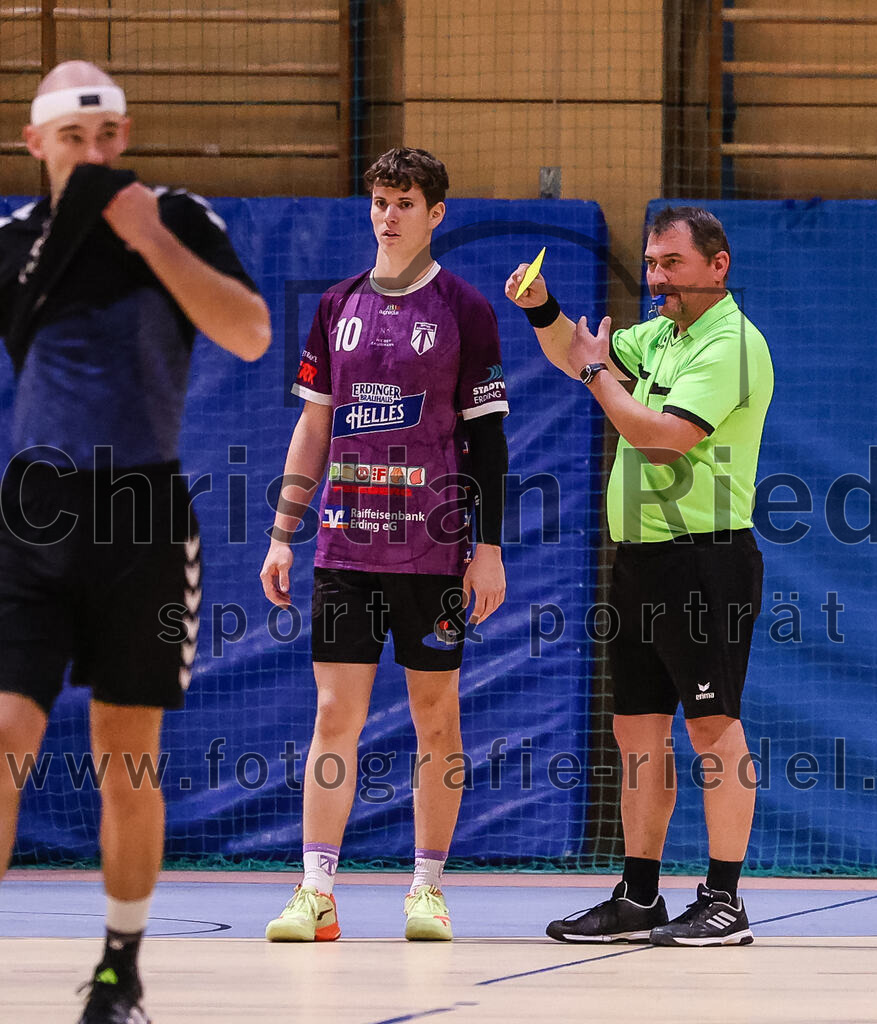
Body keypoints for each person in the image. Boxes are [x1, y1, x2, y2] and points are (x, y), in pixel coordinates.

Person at [0, 61, 270, 1022]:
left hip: (143, 516)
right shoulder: (17, 244)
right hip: (34, 511)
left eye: (108, 135)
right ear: (36, 145)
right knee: (4, 735)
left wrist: (150, 237)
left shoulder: (181, 218)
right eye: (73, 138)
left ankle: (121, 965)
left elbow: (248, 334)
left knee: (127, 755)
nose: (95, 152)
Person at [260, 147, 508, 943]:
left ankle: (427, 889)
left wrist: (489, 548)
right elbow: (314, 427)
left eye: (405, 202)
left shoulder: (466, 310)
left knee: (438, 718)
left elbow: (489, 445)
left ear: (437, 213)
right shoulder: (337, 306)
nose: (389, 215)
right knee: (336, 713)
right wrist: (282, 534)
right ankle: (317, 891)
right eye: (380, 201)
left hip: (432, 554)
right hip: (344, 547)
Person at [507, 206, 772, 947]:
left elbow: (660, 440)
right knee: (637, 732)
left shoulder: (736, 347)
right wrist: (543, 310)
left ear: (718, 267)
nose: (659, 280)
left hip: (706, 559)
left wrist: (595, 371)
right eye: (652, 265)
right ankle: (640, 896)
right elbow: (577, 353)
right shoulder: (656, 335)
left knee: (714, 728)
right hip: (641, 561)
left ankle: (724, 900)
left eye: (673, 266)